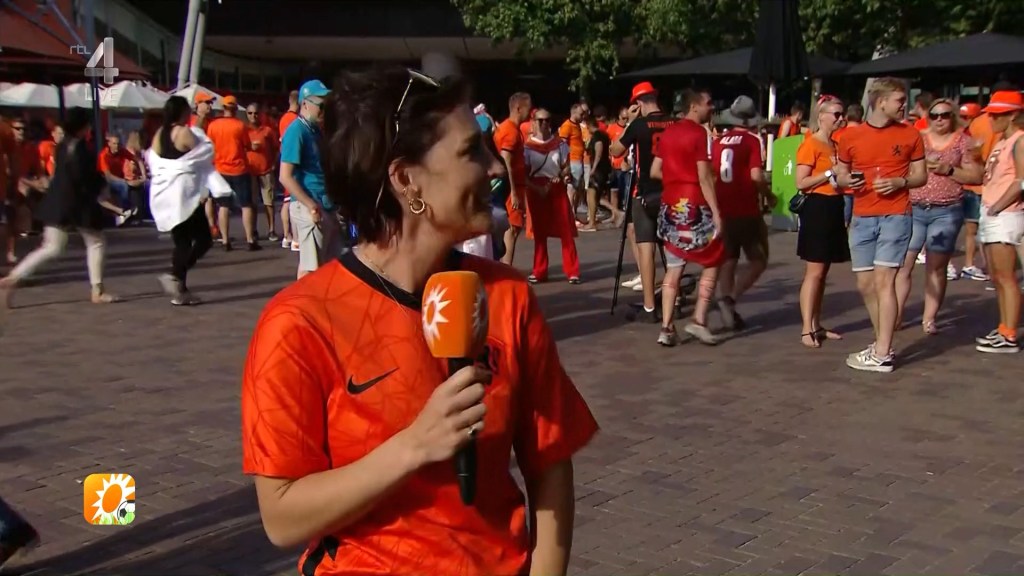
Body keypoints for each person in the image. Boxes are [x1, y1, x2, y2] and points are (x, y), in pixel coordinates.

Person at [242, 66, 597, 576]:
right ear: (406, 179)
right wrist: (414, 446)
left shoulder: (508, 295)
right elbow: (282, 518)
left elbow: (550, 462)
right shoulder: (299, 322)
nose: (493, 167)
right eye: (470, 152)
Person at [834, 78, 927, 373]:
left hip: (896, 215)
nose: (904, 106)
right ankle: (881, 345)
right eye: (899, 100)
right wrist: (846, 180)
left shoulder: (910, 134)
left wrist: (900, 181)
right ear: (880, 101)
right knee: (866, 284)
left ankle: (883, 352)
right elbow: (840, 174)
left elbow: (921, 176)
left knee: (885, 281)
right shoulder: (850, 136)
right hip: (862, 216)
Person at [0, 108, 120, 308]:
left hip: (57, 202)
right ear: (84, 127)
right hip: (77, 205)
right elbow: (85, 178)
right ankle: (97, 290)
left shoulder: (62, 145)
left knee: (51, 247)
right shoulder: (81, 149)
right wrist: (102, 187)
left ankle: (13, 278)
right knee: (96, 242)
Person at [895, 98, 982, 334]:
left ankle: (929, 318)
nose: (939, 120)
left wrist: (949, 170)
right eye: (934, 115)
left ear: (952, 116)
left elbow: (976, 175)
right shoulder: (917, 138)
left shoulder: (963, 142)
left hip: (946, 210)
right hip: (914, 207)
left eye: (944, 115)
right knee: (903, 264)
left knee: (936, 266)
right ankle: (896, 315)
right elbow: (899, 165)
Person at [649, 88, 724, 346]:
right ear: (694, 106)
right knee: (714, 257)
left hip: (670, 204)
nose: (711, 108)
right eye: (708, 103)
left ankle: (666, 327)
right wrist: (716, 212)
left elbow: (654, 170)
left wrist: (675, 178)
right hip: (694, 205)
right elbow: (704, 176)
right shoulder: (699, 133)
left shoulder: (668, 132)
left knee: (674, 267)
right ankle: (699, 319)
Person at [609, 81, 677, 322]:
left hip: (644, 192)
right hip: (671, 191)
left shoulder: (638, 125)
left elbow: (616, 150)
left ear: (638, 103)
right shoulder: (673, 123)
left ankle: (650, 307)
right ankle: (674, 299)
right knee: (671, 249)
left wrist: (629, 122)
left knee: (646, 247)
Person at [147, 96, 217, 306]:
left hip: (167, 194)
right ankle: (175, 275)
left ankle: (180, 291)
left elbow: (155, 162)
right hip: (185, 195)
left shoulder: (160, 133)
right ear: (182, 112)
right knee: (204, 239)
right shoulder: (183, 132)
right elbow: (201, 157)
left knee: (182, 241)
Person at [794, 97, 851, 348]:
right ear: (822, 116)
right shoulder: (811, 144)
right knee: (814, 272)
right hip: (817, 206)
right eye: (836, 114)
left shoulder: (835, 144)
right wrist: (829, 173)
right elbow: (801, 182)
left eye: (842, 114)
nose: (840, 118)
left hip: (834, 204)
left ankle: (816, 324)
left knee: (823, 272)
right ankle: (806, 328)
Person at [712, 96, 771, 331]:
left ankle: (727, 308)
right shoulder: (752, 140)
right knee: (759, 259)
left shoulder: (718, 142)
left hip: (723, 206)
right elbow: (756, 175)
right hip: (746, 207)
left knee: (729, 259)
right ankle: (731, 298)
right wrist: (768, 194)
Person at [975, 90, 1024, 353]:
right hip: (992, 212)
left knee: (1006, 277)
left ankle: (1010, 333)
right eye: (991, 114)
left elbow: (1021, 181)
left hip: (1006, 214)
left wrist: (998, 206)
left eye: (998, 115)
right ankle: (1004, 326)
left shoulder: (1020, 140)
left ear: (1013, 115)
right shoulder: (1001, 141)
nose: (992, 119)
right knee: (996, 275)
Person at [280, 79, 338, 279]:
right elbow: (285, 176)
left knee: (323, 264)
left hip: (322, 204)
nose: (324, 111)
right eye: (321, 105)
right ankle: (303, 298)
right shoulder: (297, 131)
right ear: (305, 104)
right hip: (310, 205)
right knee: (311, 268)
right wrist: (310, 205)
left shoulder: (314, 131)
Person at [523, 108, 581, 284]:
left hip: (555, 187)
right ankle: (539, 271)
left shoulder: (560, 144)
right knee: (539, 233)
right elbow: (523, 174)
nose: (544, 124)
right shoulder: (527, 147)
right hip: (536, 189)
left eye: (547, 120)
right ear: (533, 122)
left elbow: (566, 166)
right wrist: (536, 188)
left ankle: (572, 271)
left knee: (565, 231)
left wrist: (563, 175)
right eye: (540, 120)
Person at [493, 92, 532, 267]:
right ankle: (506, 268)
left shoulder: (509, 129)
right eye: (528, 108)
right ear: (518, 108)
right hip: (511, 188)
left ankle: (504, 266)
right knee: (512, 229)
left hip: (512, 186)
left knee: (511, 228)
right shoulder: (510, 132)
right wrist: (514, 192)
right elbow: (506, 160)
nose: (530, 112)